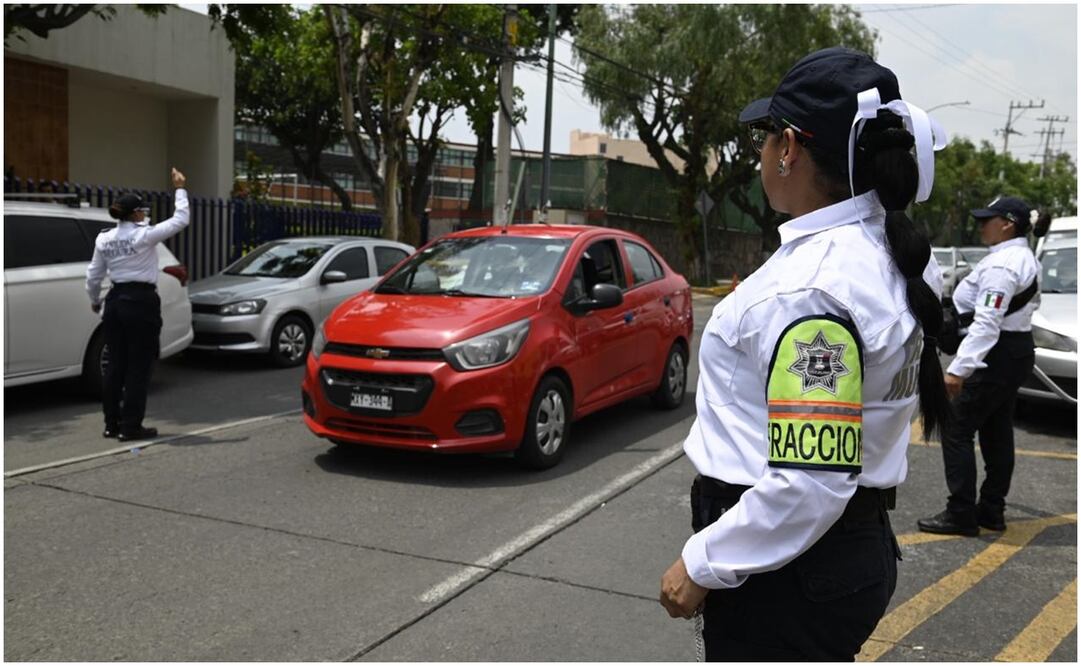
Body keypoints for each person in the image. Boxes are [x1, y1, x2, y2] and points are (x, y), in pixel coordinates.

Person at [658, 47, 953, 660]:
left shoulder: (812, 289)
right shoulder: (878, 252)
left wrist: (705, 560)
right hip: (837, 554)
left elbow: (810, 481)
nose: (762, 152)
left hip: (790, 570)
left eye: (765, 137)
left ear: (789, 147)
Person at [918, 197, 1041, 536]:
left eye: (988, 219)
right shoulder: (1020, 257)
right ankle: (991, 509)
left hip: (995, 353)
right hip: (1013, 350)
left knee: (956, 429)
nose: (981, 225)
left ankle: (960, 513)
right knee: (996, 430)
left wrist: (959, 369)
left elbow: (988, 322)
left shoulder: (1004, 265)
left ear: (1008, 223)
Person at [86, 167, 189, 442]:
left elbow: (93, 275)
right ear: (134, 214)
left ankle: (111, 424)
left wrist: (95, 300)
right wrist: (179, 187)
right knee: (139, 367)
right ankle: (131, 426)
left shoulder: (104, 239)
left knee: (116, 365)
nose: (144, 213)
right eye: (142, 210)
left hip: (115, 302)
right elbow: (181, 219)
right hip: (141, 303)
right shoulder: (144, 235)